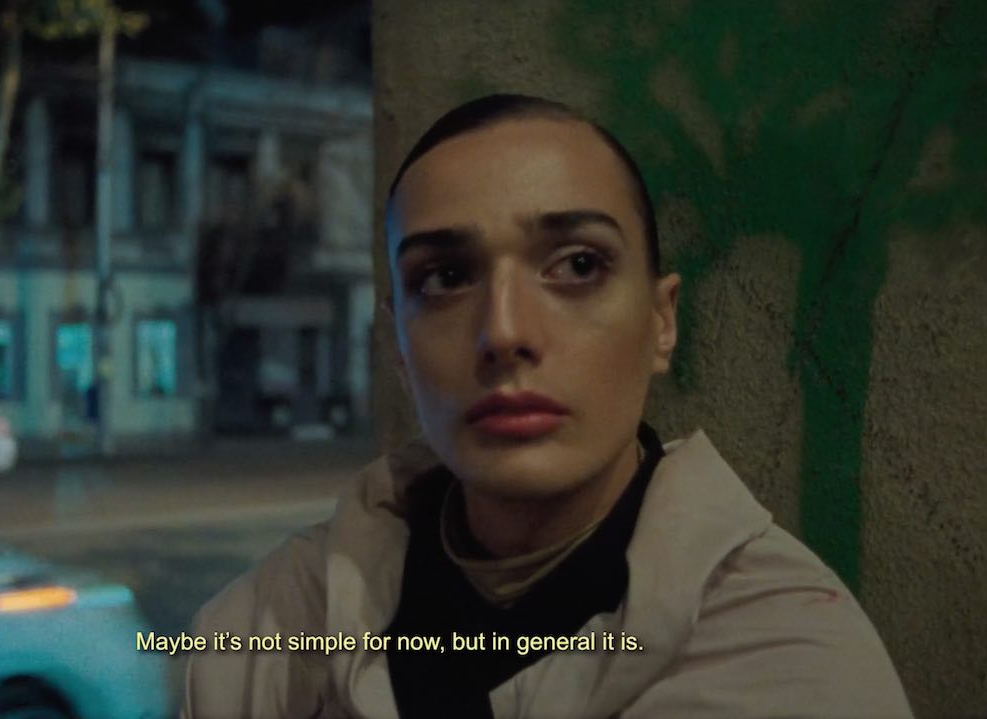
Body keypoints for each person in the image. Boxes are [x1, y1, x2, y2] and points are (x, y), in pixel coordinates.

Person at [182, 94, 911, 718]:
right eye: (444, 277)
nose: (504, 332)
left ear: (661, 322)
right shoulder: (278, 624)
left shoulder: (788, 655)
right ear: (398, 347)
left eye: (578, 265)